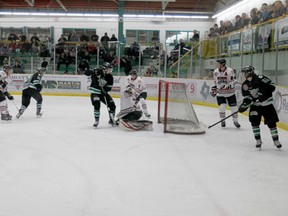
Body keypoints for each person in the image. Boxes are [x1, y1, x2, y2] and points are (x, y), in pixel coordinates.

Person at [238, 66, 282, 149]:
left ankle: (276, 140)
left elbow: (272, 86)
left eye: (244, 73)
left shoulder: (260, 78)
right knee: (254, 122)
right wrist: (244, 104)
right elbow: (247, 97)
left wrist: (264, 94)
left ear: (249, 73)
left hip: (267, 105)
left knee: (272, 123)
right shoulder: (245, 84)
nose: (243, 75)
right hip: (255, 106)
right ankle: (258, 140)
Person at [84, 62, 116, 128]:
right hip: (95, 92)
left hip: (103, 93)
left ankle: (111, 120)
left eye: (111, 69)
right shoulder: (97, 71)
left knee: (112, 105)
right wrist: (93, 71)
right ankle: (96, 121)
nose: (110, 71)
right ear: (105, 68)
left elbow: (109, 87)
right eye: (109, 69)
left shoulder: (110, 76)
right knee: (97, 104)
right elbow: (86, 72)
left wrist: (105, 90)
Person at [211, 58, 240, 128]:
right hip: (220, 94)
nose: (217, 65)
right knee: (222, 107)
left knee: (234, 108)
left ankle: (235, 121)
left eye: (218, 64)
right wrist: (214, 89)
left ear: (222, 64)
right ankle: (222, 120)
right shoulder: (215, 71)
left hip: (230, 93)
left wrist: (228, 85)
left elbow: (234, 81)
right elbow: (216, 82)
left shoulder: (230, 71)